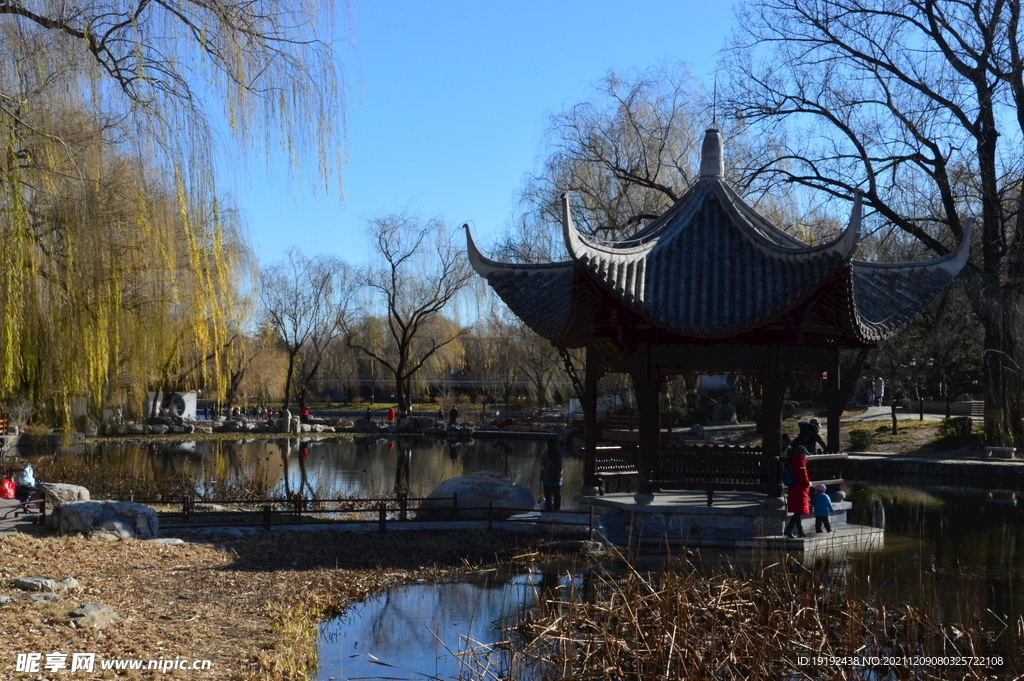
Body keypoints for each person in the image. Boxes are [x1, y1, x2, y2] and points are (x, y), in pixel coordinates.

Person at [783, 445, 811, 538]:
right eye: (805, 453)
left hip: (794, 488)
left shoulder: (793, 460)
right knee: (798, 512)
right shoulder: (801, 461)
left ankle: (800, 531)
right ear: (802, 453)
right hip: (800, 489)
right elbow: (803, 475)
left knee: (798, 511)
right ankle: (788, 530)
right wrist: (808, 483)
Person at [540, 440, 564, 512]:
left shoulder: (545, 454)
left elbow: (542, 463)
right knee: (557, 496)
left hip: (547, 478)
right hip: (557, 478)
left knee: (548, 496)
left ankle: (548, 510)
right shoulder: (559, 454)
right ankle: (557, 510)